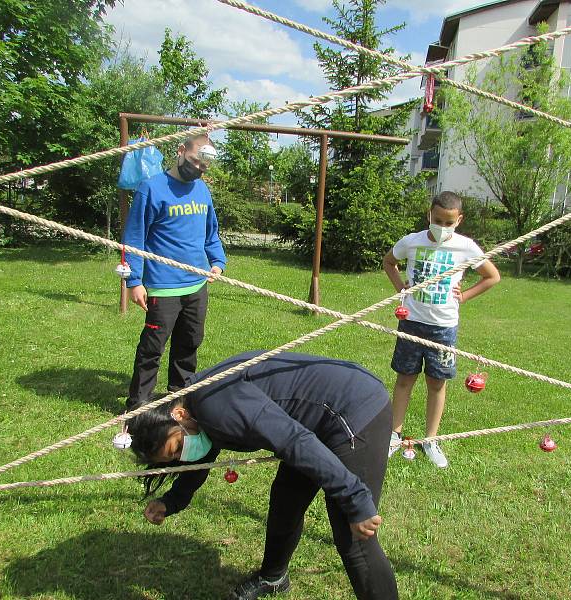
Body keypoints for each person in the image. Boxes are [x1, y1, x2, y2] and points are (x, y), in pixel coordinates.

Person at [126, 351, 398, 600]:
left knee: (354, 538)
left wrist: (355, 497)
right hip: (312, 423)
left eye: (175, 449)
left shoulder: (215, 406)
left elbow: (293, 441)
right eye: (173, 459)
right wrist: (171, 501)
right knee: (286, 500)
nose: (182, 457)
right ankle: (273, 577)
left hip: (353, 409)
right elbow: (201, 457)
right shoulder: (198, 409)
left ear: (179, 414)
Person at [382, 191, 500, 468]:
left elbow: (492, 276)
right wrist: (401, 288)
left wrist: (465, 295)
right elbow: (389, 261)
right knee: (405, 378)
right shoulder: (411, 242)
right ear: (429, 216)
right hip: (411, 321)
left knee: (437, 383)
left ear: (459, 220)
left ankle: (431, 439)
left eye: (449, 223)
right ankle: (394, 435)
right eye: (437, 221)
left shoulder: (467, 248)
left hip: (443, 327)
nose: (442, 227)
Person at [122, 132, 226, 410]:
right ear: (181, 151)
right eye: (195, 161)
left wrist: (217, 260)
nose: (199, 169)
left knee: (190, 342)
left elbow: (210, 231)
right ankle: (138, 405)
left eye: (205, 166)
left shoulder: (202, 190)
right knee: (152, 347)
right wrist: (134, 281)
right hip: (162, 286)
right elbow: (134, 236)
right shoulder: (152, 188)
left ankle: (178, 398)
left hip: (196, 283)